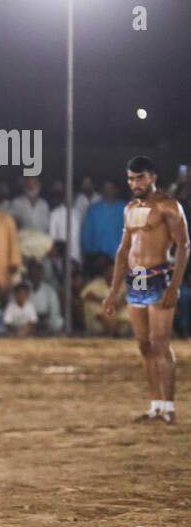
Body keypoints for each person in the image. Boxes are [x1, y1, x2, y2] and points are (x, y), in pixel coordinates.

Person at [101, 157, 190, 422]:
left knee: (160, 344)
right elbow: (123, 250)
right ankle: (155, 405)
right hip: (136, 277)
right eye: (130, 178)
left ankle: (169, 406)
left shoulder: (168, 206)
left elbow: (184, 246)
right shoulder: (129, 208)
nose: (134, 183)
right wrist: (113, 291)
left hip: (159, 274)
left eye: (139, 177)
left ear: (152, 177)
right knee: (144, 345)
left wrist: (175, 285)